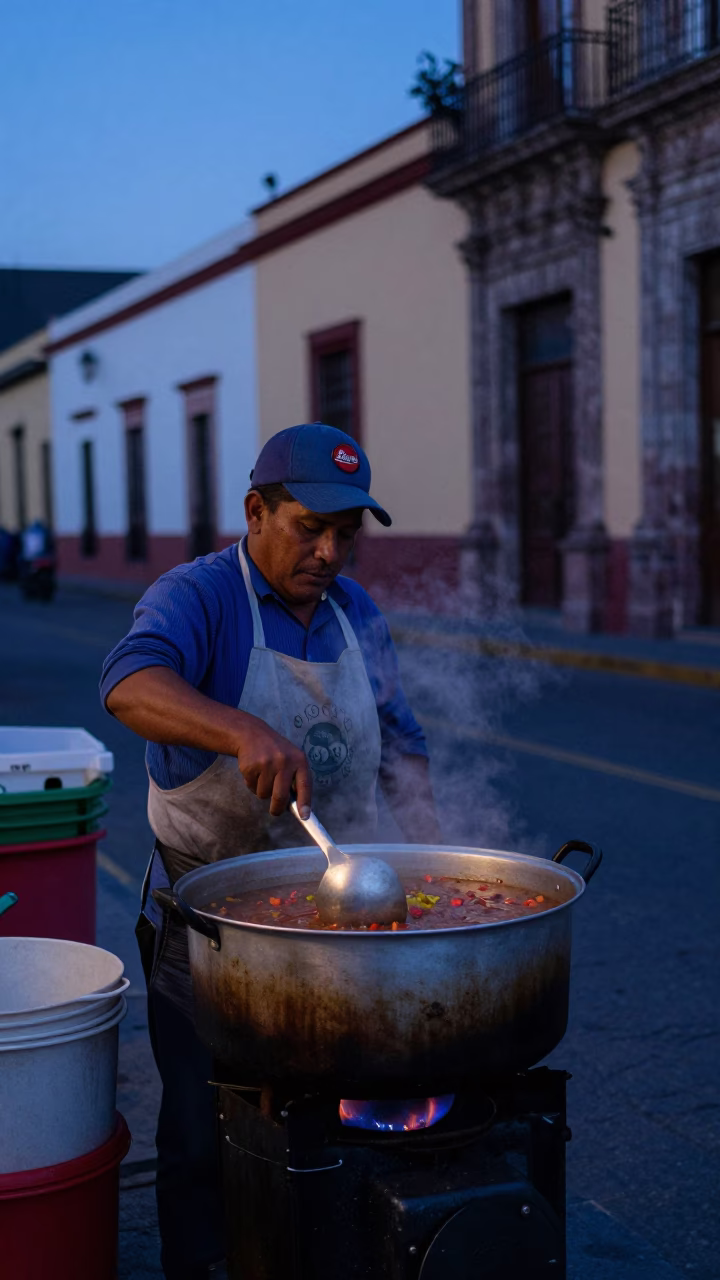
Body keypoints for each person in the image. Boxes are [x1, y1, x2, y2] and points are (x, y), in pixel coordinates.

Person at [101, 422, 439, 1280]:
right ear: (256, 511)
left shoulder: (356, 613)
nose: (329, 553)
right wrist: (240, 728)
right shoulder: (199, 595)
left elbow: (402, 746)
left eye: (347, 536)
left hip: (333, 923)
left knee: (325, 1122)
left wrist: (438, 869)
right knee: (199, 1136)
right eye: (308, 528)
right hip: (209, 929)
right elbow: (128, 683)